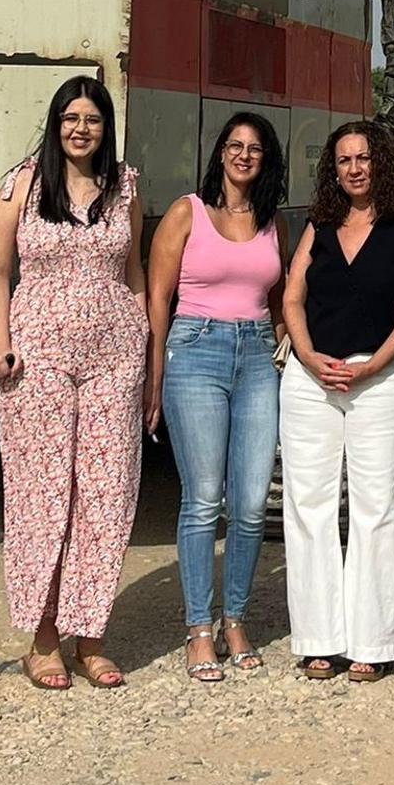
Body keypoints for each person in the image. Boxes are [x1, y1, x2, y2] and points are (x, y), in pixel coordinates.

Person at [0, 75, 147, 690]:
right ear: (55, 123)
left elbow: (133, 273)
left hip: (115, 354)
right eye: (71, 117)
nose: (82, 129)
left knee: (106, 492)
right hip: (37, 355)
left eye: (94, 119)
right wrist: (0, 343)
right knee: (44, 493)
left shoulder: (125, 187)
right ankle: (44, 637)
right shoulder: (21, 183)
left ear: (107, 127)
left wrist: (145, 349)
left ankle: (91, 635)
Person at [144, 111, 287, 682]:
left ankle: (236, 619)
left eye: (254, 147)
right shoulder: (187, 212)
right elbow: (157, 301)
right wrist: (153, 379)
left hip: (256, 357)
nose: (244, 155)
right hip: (194, 352)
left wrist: (287, 348)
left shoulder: (272, 220)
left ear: (265, 157)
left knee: (251, 502)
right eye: (234, 145)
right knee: (203, 498)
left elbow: (280, 299)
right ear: (219, 152)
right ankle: (198, 627)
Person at [280, 120, 394, 680]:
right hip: (311, 377)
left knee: (377, 508)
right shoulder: (318, 225)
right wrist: (310, 357)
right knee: (309, 507)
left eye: (363, 159)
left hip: (379, 378)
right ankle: (319, 638)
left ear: (379, 164)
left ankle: (374, 641)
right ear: (331, 170)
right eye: (343, 161)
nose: (354, 168)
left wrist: (374, 366)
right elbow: (293, 296)